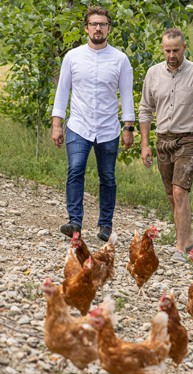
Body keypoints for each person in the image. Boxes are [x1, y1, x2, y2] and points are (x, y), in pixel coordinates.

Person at [138, 28, 193, 261]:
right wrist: (145, 144)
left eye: (176, 50)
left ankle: (179, 247)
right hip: (163, 139)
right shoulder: (153, 74)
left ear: (184, 48)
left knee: (179, 191)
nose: (171, 55)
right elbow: (145, 109)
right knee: (170, 193)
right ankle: (188, 238)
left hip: (190, 138)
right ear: (162, 49)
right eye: (167, 50)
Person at [52, 6, 135, 242]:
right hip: (79, 124)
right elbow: (62, 91)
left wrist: (129, 128)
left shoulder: (120, 59)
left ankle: (105, 225)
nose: (98, 28)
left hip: (109, 128)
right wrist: (57, 124)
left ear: (109, 28)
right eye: (94, 24)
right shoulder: (73, 56)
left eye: (103, 24)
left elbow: (127, 96)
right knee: (75, 170)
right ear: (86, 28)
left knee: (107, 176)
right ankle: (74, 222)